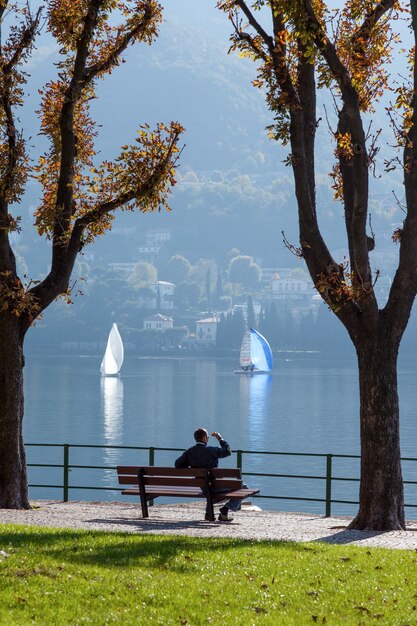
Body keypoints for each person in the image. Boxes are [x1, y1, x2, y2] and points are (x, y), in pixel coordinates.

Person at [174, 427, 243, 522]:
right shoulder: (211, 450)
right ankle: (224, 510)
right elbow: (227, 451)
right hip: (215, 487)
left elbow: (177, 464)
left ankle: (209, 512)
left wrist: (191, 463)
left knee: (212, 490)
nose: (208, 439)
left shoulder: (190, 452)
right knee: (243, 487)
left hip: (203, 487)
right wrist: (220, 438)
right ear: (204, 438)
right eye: (208, 437)